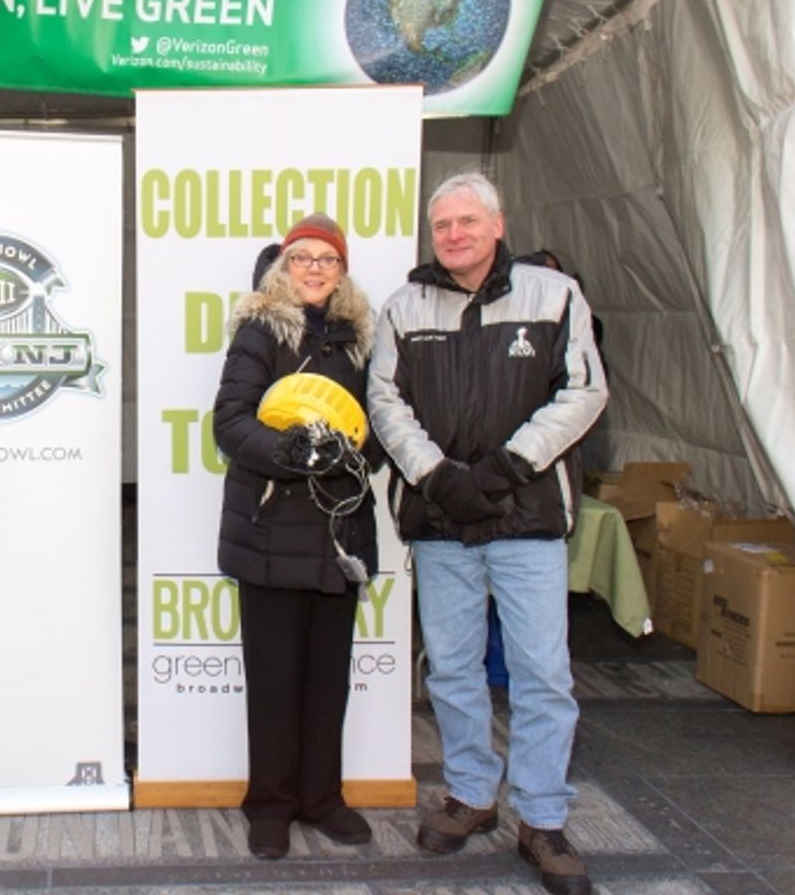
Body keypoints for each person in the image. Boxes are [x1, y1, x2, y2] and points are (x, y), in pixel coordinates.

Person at [367, 174, 607, 895]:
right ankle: (472, 793)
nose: (454, 235)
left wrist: (505, 468)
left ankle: (540, 815)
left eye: (468, 221)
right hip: (441, 522)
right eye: (442, 225)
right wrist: (437, 476)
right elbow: (385, 399)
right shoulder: (405, 306)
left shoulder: (554, 295)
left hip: (525, 518)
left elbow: (585, 391)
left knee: (542, 673)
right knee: (452, 667)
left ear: (497, 225)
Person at [214, 213, 382, 860]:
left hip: (340, 533)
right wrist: (296, 452)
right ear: (284, 265)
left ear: (342, 270)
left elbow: (378, 424)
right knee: (275, 677)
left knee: (327, 678)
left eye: (327, 259)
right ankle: (270, 805)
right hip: (270, 529)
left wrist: (364, 457)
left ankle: (322, 798)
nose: (314, 268)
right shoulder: (261, 329)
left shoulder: (360, 338)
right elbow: (228, 421)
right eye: (302, 257)